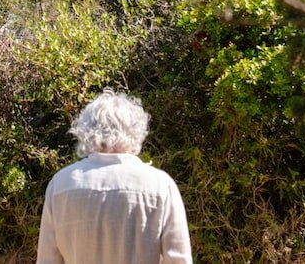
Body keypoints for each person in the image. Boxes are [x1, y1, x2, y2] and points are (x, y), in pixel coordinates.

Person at [36, 90, 192, 264]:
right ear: (137, 131)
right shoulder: (160, 186)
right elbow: (179, 260)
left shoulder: (61, 184)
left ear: (85, 130)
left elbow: (47, 260)